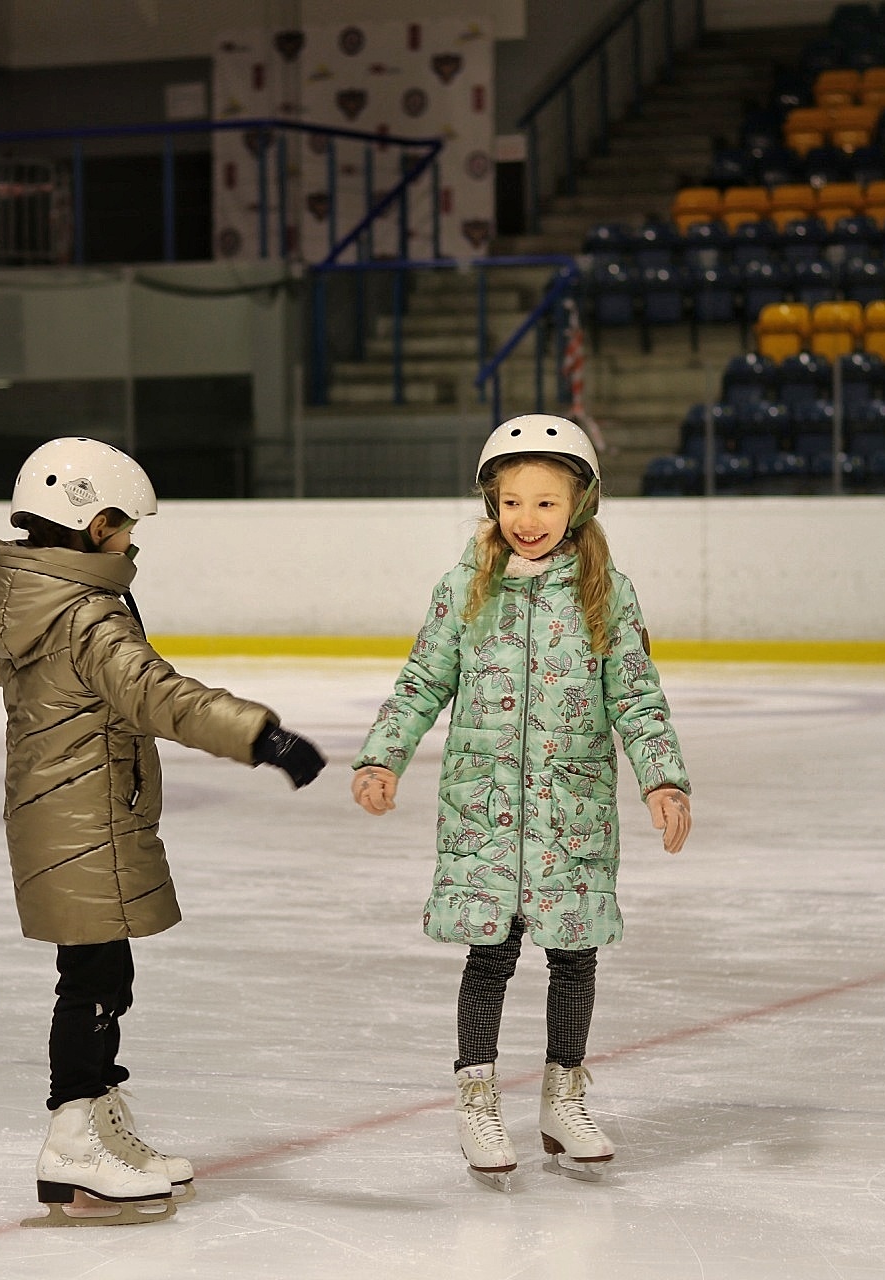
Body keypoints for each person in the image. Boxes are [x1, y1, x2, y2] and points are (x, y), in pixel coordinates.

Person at [0, 436, 327, 1227]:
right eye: (126, 525)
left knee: (102, 976)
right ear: (94, 525)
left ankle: (99, 1119)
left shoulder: (25, 599)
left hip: (62, 816)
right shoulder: (87, 617)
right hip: (86, 816)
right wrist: (260, 736)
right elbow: (160, 695)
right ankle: (71, 1138)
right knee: (92, 983)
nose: (133, 540)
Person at [351, 414, 692, 1191]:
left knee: (574, 954)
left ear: (580, 504)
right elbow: (423, 680)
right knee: (490, 952)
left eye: (545, 503)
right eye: (511, 503)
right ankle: (477, 1097)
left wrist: (662, 776)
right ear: (492, 505)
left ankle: (562, 1095)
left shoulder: (606, 590)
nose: (527, 520)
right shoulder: (464, 587)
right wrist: (383, 755)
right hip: (484, 806)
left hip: (572, 805)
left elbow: (636, 695)